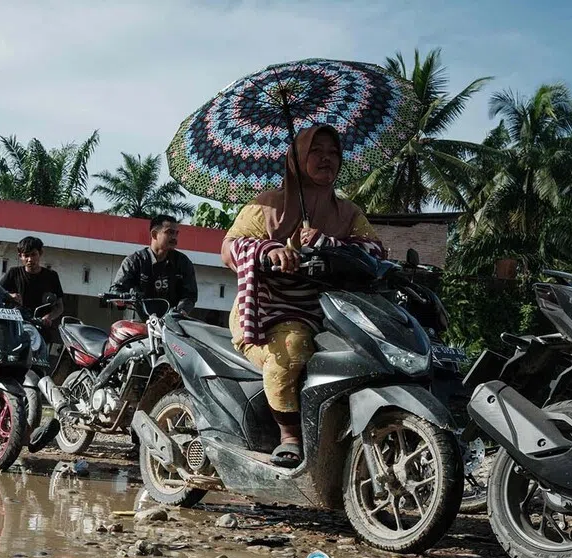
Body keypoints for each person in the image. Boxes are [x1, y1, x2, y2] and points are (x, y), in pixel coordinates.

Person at [222, 124, 386, 468]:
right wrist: (270, 250)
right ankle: (289, 436)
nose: (327, 158)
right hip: (269, 312)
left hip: (328, 311)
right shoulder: (266, 204)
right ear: (296, 160)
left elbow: (373, 250)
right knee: (293, 350)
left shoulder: (348, 212)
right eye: (316, 151)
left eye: (334, 152)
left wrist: (327, 241)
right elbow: (230, 247)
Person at [110, 215, 198, 316]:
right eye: (169, 232)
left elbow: (190, 295)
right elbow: (116, 289)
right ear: (154, 234)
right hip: (140, 324)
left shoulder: (183, 263)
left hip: (171, 323)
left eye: (176, 233)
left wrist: (182, 310)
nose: (174, 237)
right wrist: (120, 299)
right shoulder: (134, 261)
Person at [0, 236, 65, 325]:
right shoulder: (13, 273)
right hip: (17, 326)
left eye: (33, 254)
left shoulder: (51, 276)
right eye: (26, 255)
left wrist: (49, 317)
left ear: (40, 253)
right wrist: (9, 295)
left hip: (42, 328)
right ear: (20, 256)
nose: (30, 259)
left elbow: (59, 307)